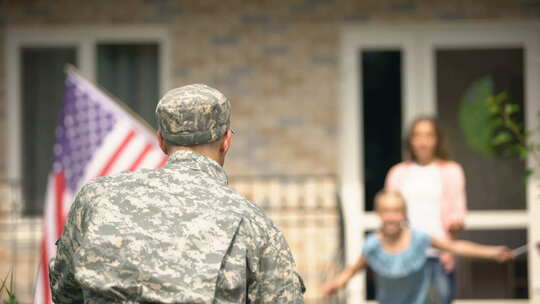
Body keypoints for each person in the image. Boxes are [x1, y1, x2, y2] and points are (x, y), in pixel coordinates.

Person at [49, 84, 305, 303]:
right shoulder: (254, 224)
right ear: (227, 141)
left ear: (161, 141)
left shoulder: (96, 198)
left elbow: (64, 291)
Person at [321, 191, 514, 304]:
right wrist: (336, 284)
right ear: (378, 214)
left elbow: (455, 247)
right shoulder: (372, 245)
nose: (391, 216)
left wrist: (491, 253)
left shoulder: (419, 239)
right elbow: (353, 269)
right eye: (386, 211)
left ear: (404, 214)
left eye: (396, 211)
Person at [385, 117, 466, 303]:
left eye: (429, 135)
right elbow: (389, 211)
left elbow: (458, 211)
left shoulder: (451, 171)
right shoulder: (398, 173)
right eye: (418, 136)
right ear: (411, 141)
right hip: (406, 256)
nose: (423, 141)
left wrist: (455, 222)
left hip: (438, 256)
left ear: (437, 140)